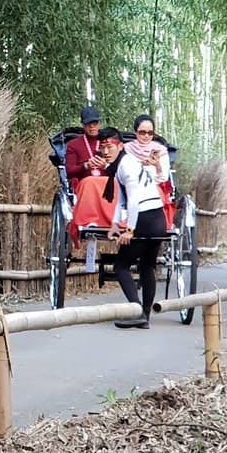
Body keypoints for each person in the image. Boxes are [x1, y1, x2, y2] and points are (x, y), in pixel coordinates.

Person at [100, 125, 168, 330]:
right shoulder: (126, 163)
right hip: (158, 219)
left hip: (145, 218)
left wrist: (129, 230)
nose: (105, 151)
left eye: (109, 146)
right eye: (102, 147)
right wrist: (113, 224)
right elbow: (121, 199)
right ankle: (144, 317)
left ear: (120, 146)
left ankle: (137, 310)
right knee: (147, 265)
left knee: (120, 266)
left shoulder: (126, 165)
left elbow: (134, 200)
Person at [64, 106, 104, 189]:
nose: (92, 126)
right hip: (85, 186)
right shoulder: (73, 145)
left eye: (95, 123)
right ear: (83, 125)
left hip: (105, 183)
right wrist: (85, 166)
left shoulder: (107, 142)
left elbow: (118, 168)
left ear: (99, 123)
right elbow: (69, 171)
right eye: (88, 123)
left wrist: (106, 165)